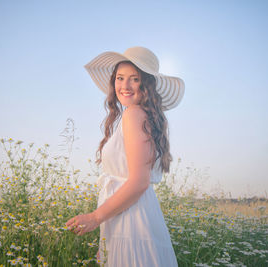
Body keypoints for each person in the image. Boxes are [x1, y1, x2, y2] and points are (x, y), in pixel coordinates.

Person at [65, 46, 185, 266]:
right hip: (131, 215)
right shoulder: (142, 116)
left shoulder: (133, 115)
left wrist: (94, 217)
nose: (125, 86)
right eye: (120, 78)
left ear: (147, 84)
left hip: (132, 220)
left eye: (135, 79)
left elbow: (139, 182)